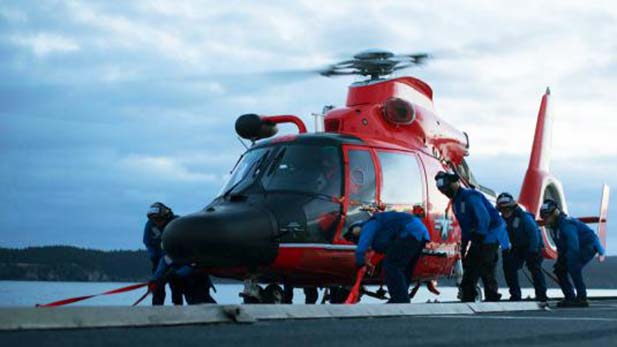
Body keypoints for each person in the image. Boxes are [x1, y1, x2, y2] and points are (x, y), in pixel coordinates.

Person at [434, 171, 510, 302]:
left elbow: (483, 217)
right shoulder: (456, 202)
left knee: (486, 265)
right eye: (442, 189)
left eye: (446, 188)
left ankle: (492, 296)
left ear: (454, 183)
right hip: (477, 236)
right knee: (470, 265)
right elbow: (465, 225)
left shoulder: (470, 196)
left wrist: (479, 235)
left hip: (490, 234)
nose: (444, 191)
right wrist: (463, 244)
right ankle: (468, 294)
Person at [343, 210, 429, 303]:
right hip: (420, 234)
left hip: (409, 231)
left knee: (391, 266)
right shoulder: (381, 230)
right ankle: (402, 298)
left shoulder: (370, 224)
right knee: (404, 269)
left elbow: (361, 249)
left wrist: (360, 263)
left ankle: (400, 300)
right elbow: (388, 248)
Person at [540, 199, 605, 307]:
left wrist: (569, 260)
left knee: (574, 266)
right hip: (575, 247)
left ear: (555, 213)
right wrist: (561, 260)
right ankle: (570, 297)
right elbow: (561, 247)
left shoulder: (566, 224)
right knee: (560, 270)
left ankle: (581, 298)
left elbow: (573, 244)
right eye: (543, 217)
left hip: (588, 245)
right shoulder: (553, 227)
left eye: (547, 216)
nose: (545, 219)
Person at [496, 192, 547, 302]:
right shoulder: (502, 220)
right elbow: (502, 235)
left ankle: (541, 295)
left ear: (512, 207)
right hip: (517, 247)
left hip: (533, 246)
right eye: (502, 209)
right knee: (509, 267)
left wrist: (533, 251)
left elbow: (533, 234)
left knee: (535, 268)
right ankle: (515, 294)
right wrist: (505, 249)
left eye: (507, 209)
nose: (505, 212)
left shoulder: (524, 217)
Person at [143, 202, 183, 305]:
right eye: (153, 219)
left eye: (159, 219)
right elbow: (147, 241)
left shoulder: (176, 223)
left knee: (176, 286)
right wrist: (153, 255)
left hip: (175, 260)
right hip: (157, 259)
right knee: (157, 287)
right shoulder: (150, 225)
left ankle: (178, 309)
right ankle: (157, 310)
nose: (156, 222)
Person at [149, 255, 216, 305]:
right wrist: (154, 280)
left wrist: (175, 274)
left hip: (196, 285)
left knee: (202, 303)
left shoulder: (190, 251)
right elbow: (160, 270)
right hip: (183, 286)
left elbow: (192, 266)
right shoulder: (167, 257)